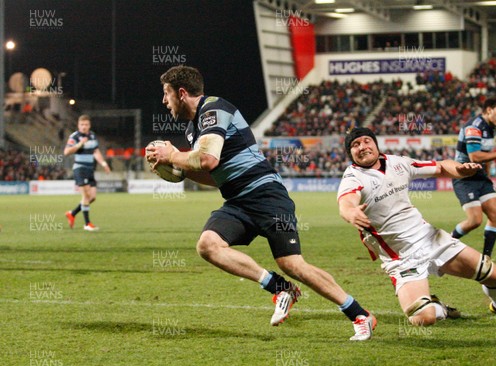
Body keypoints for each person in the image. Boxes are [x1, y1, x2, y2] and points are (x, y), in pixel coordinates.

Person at [146, 66, 376, 341]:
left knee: (292, 263)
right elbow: (216, 175)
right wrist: (180, 171)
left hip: (266, 194)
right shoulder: (192, 130)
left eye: (166, 93)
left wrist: (173, 155)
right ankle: (279, 287)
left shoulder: (214, 109)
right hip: (238, 201)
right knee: (208, 246)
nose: (164, 101)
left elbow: (207, 159)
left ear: (181, 93)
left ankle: (361, 314)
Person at [338, 128, 496, 327]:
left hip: (429, 238)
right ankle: (438, 307)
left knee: (494, 275)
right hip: (402, 258)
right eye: (355, 145)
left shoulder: (398, 162)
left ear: (375, 143)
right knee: (423, 319)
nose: (362, 147)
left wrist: (459, 170)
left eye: (366, 141)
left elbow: (441, 166)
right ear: (350, 154)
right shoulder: (353, 177)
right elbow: (346, 203)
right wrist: (351, 212)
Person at [451, 97, 496, 257]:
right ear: (489, 110)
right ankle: (447, 241)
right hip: (465, 176)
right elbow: (474, 157)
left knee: (495, 214)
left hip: (480, 177)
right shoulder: (474, 127)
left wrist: (487, 176)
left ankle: (486, 258)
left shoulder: (490, 128)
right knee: (475, 221)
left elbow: (486, 155)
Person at [64, 115, 111, 231]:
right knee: (86, 196)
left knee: (92, 197)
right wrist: (79, 144)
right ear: (78, 125)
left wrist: (104, 164)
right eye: (82, 125)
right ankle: (87, 224)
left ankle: (72, 213)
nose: (84, 127)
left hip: (90, 169)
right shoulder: (74, 136)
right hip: (80, 169)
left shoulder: (92, 136)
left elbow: (95, 151)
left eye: (86, 125)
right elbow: (66, 152)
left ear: (89, 125)